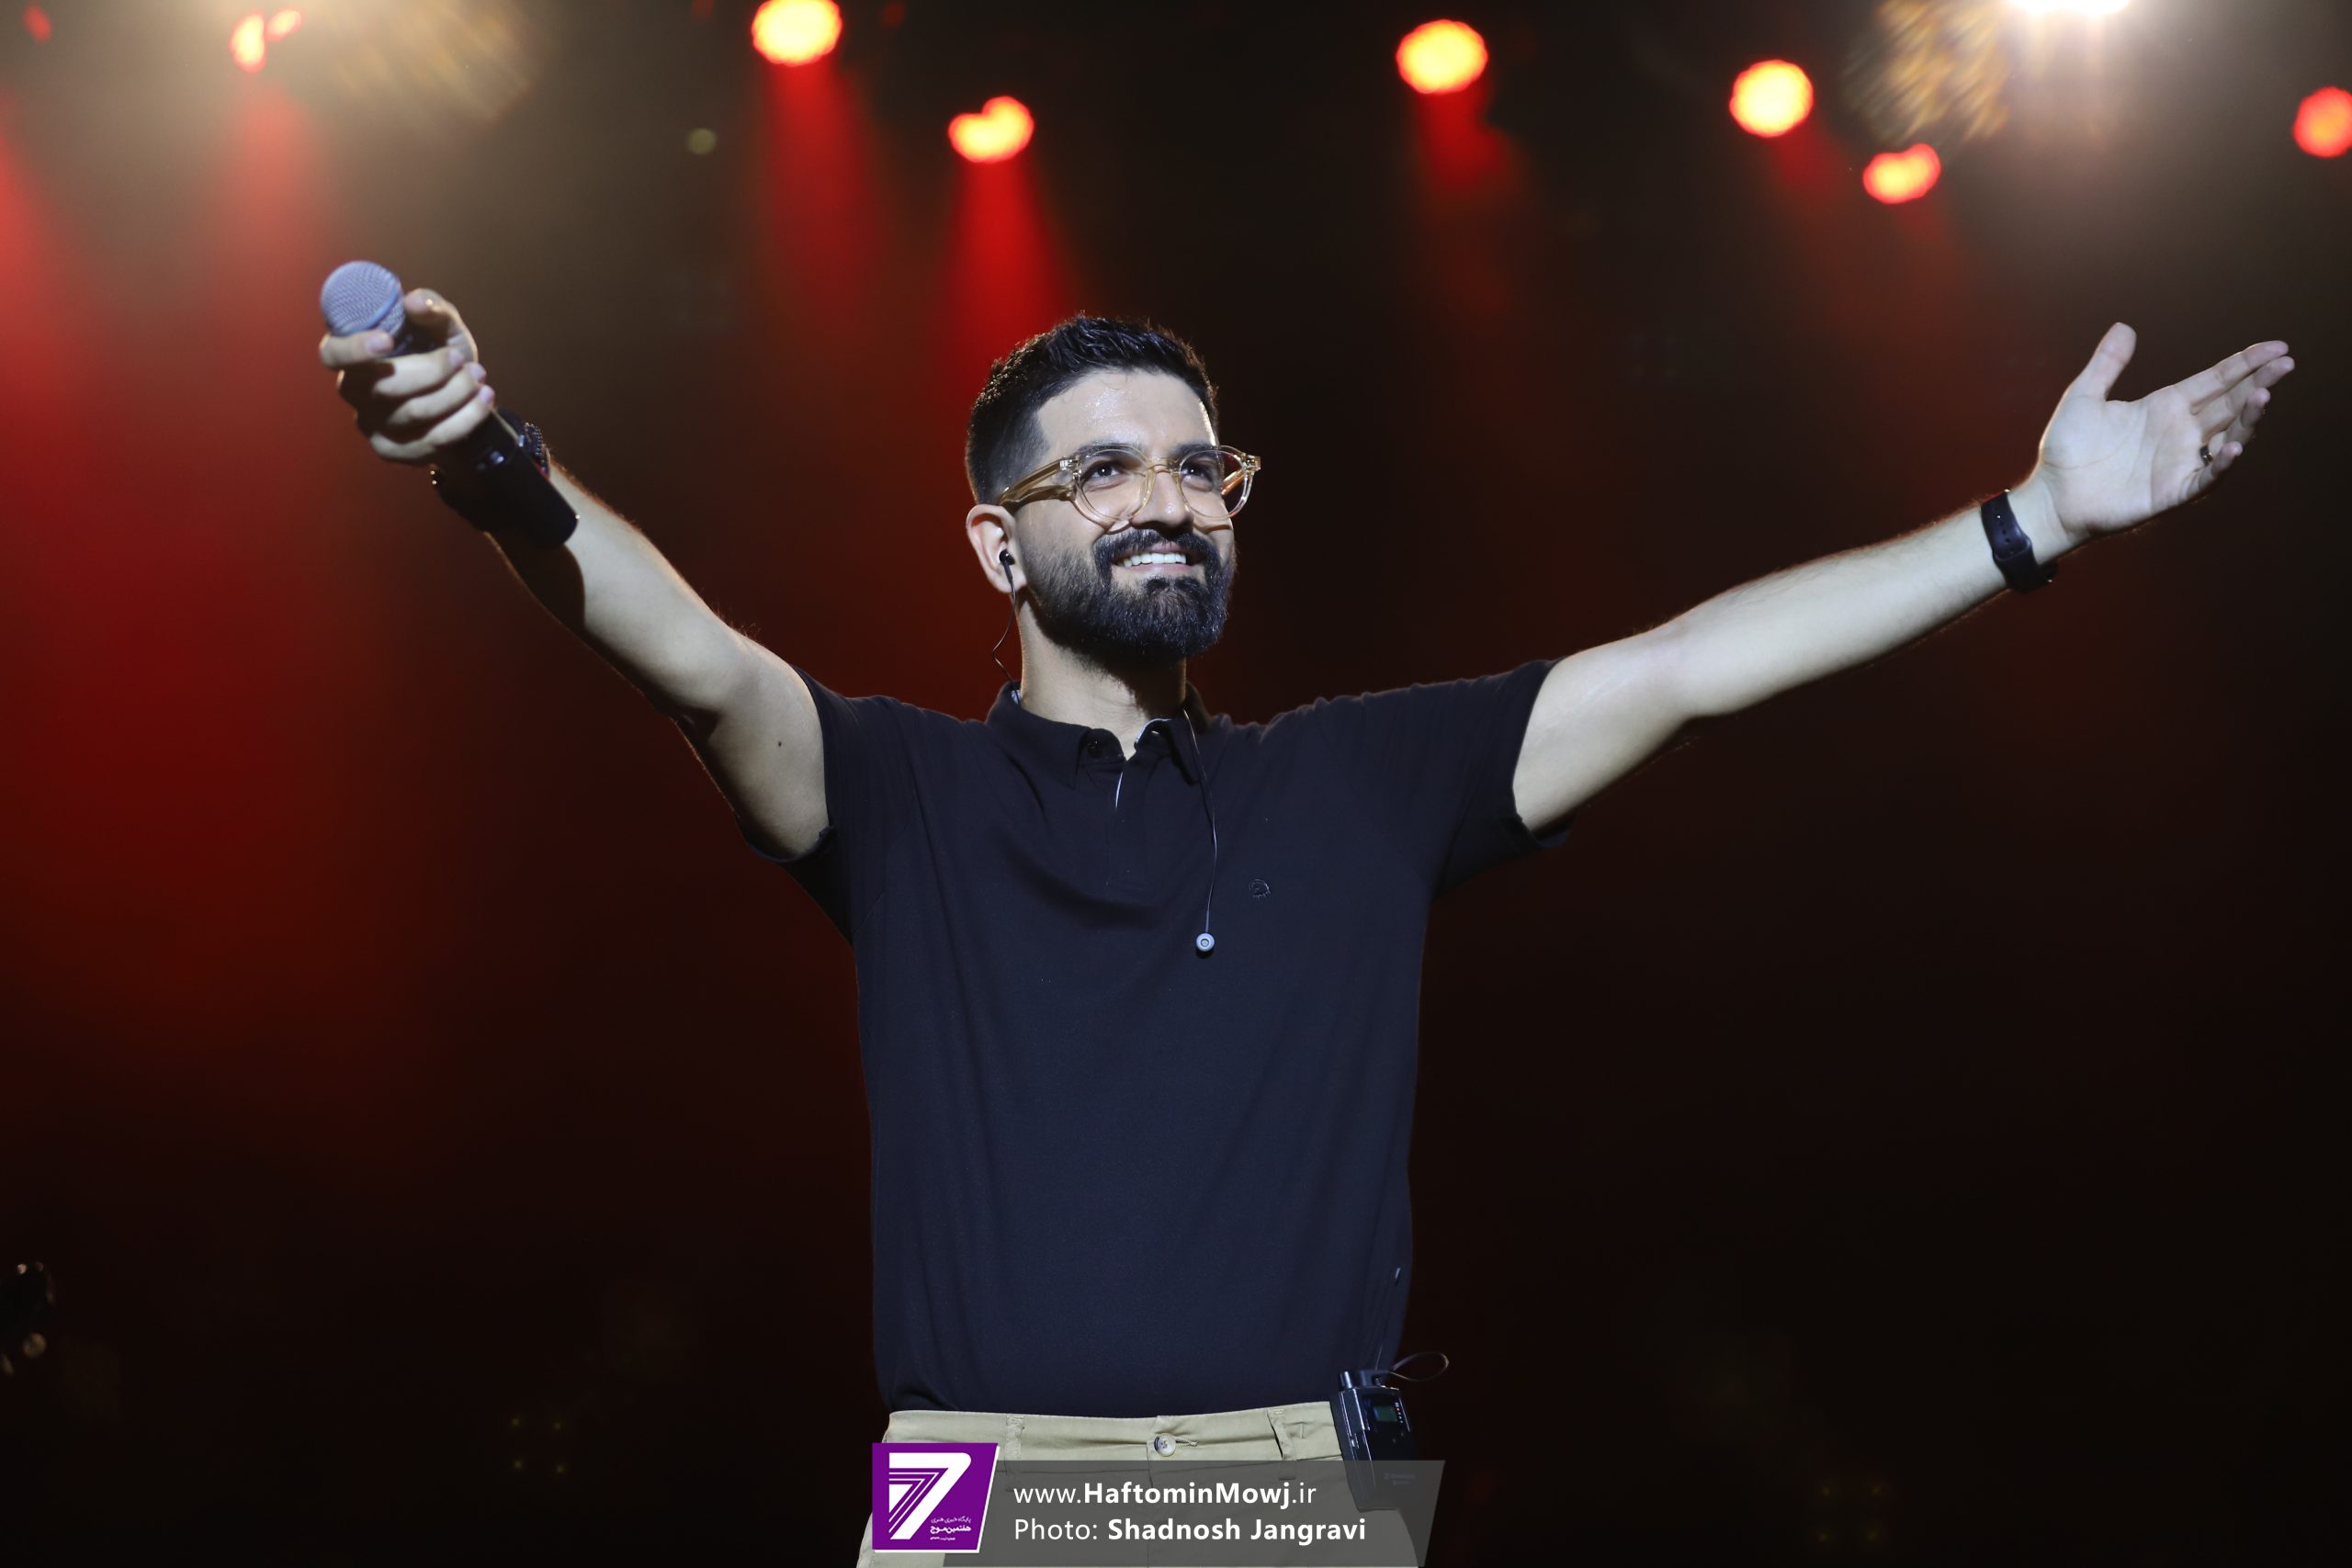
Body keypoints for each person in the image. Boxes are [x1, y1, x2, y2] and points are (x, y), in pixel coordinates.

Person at [319, 296, 2290, 1564]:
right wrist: (487, 456)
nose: (1169, 498)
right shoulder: (896, 793)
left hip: (1290, 1495)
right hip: (977, 1501)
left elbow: (1687, 663)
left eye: (1201, 464)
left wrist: (2032, 521)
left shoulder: (1350, 784)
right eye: (1104, 468)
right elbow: (687, 652)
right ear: (1000, 542)